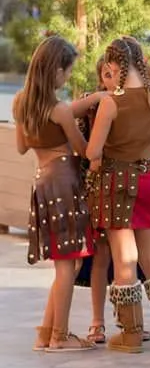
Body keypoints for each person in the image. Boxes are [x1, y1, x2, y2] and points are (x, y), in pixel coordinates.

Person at [86, 36, 150, 353]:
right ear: (141, 62)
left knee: (124, 259)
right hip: (146, 178)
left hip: (116, 180)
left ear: (113, 65)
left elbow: (93, 151)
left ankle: (130, 334)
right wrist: (137, 57)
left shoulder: (110, 103)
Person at [15, 36, 104, 351]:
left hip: (43, 182)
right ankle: (60, 336)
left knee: (62, 263)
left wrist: (89, 101)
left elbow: (22, 146)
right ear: (56, 71)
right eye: (67, 72)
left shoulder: (21, 103)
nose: (68, 78)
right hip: (65, 181)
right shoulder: (61, 111)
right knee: (69, 264)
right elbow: (83, 150)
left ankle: (47, 332)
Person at [75, 57, 150, 344]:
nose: (112, 78)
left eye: (118, 72)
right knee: (103, 256)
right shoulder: (96, 103)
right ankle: (99, 322)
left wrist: (137, 137)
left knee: (134, 259)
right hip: (102, 187)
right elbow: (88, 151)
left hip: (124, 184)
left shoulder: (141, 102)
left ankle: (132, 328)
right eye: (107, 73)